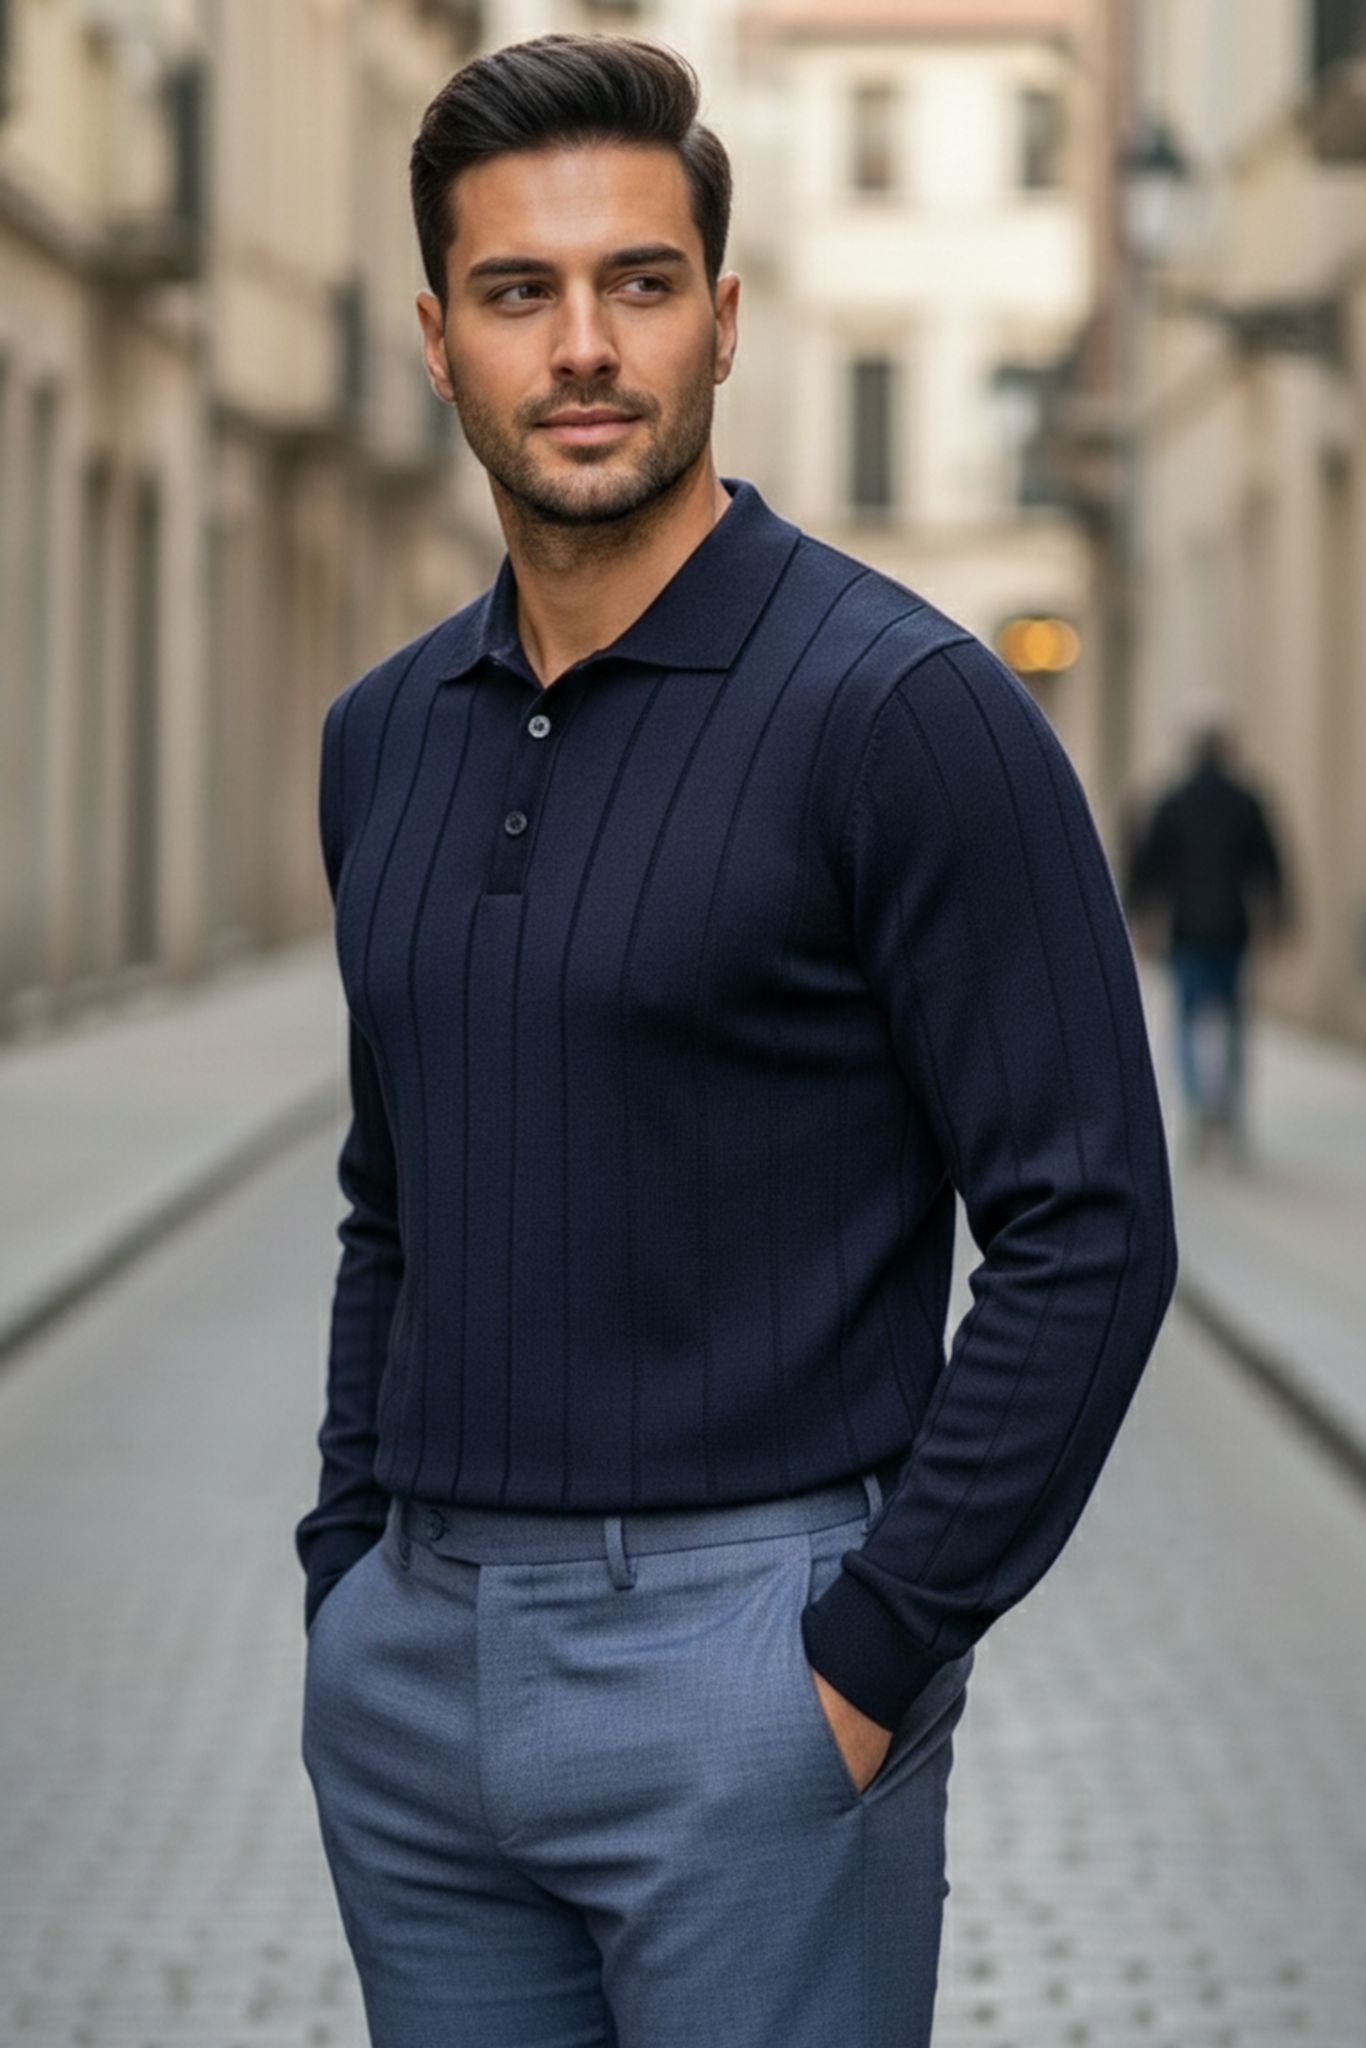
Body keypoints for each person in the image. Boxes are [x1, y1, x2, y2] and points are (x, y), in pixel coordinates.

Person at [295, 31, 1178, 2048]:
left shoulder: (905, 714)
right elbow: (390, 1194)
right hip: (417, 1683)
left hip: (750, 1668)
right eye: (520, 292)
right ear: (439, 340)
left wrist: (870, 1652)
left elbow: (1087, 1225)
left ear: (722, 317)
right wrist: (348, 1573)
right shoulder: (377, 742)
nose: (584, 343)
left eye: (640, 281)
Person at [1124, 709, 1292, 1165]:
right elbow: (1271, 865)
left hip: (1188, 929)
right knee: (1233, 1019)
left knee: (1188, 1017)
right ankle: (1227, 1110)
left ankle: (1201, 1107)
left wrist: (1141, 919)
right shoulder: (1246, 800)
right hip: (1232, 928)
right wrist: (1277, 919)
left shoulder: (1173, 802)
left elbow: (1147, 869)